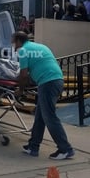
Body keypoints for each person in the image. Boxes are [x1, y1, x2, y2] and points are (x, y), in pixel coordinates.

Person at [12, 31, 75, 160]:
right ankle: (33, 146)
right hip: (57, 80)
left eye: (13, 42)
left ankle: (65, 149)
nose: (13, 45)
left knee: (49, 117)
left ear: (18, 41)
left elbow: (23, 75)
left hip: (47, 83)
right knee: (40, 116)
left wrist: (20, 90)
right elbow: (39, 66)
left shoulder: (23, 50)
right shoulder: (40, 46)